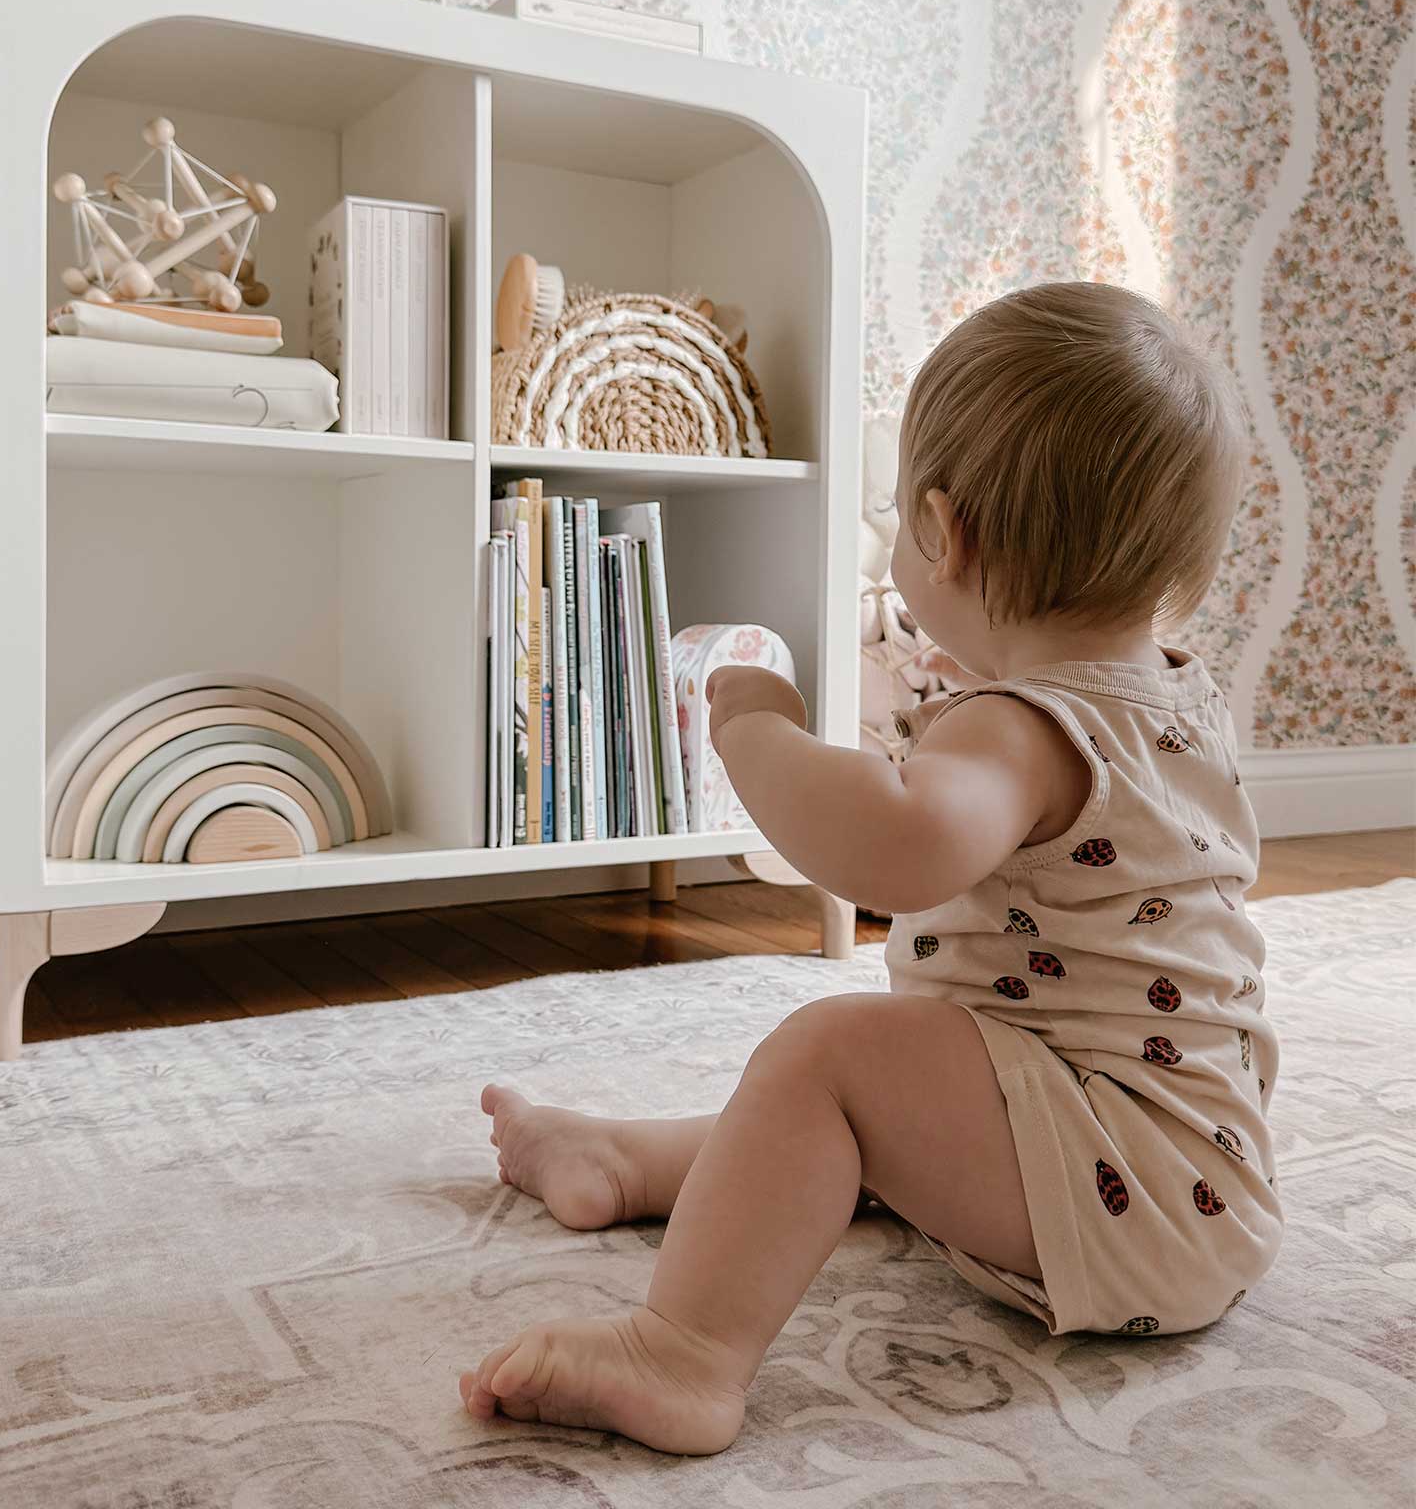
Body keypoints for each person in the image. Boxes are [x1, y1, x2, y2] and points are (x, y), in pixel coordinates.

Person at [460, 281, 1283, 1454]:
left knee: (830, 1058)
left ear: (943, 532)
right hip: (1185, 1176)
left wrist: (755, 731)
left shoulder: (1025, 724)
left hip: (1122, 1182)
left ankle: (683, 1352)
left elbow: (898, 845)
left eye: (898, 512)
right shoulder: (1172, 694)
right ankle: (628, 1159)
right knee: (845, 1116)